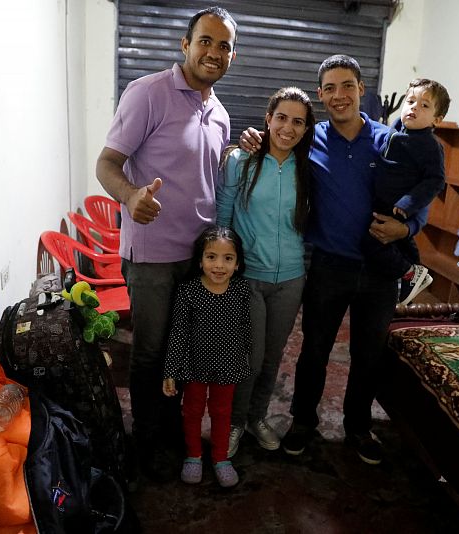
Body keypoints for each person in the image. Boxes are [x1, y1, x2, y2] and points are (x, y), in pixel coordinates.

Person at [239, 55, 428, 465]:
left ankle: (357, 428)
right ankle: (303, 422)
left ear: (362, 89)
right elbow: (278, 141)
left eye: (347, 85)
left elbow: (422, 192)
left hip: (379, 269)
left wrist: (408, 229)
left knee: (367, 356)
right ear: (321, 95)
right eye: (329, 88)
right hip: (329, 265)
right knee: (314, 350)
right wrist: (252, 137)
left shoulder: (390, 140)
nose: (338, 95)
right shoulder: (311, 139)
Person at [94, 6, 237, 481]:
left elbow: (206, 176)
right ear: (185, 44)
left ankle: (179, 432)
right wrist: (131, 195)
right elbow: (107, 163)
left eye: (224, 45)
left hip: (199, 260)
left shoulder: (219, 112)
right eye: (206, 41)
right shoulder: (148, 93)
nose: (214, 52)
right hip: (153, 256)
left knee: (187, 351)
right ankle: (145, 441)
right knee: (152, 351)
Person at [216, 87, 316, 457]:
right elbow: (223, 215)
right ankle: (234, 422)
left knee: (273, 357)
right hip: (248, 279)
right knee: (248, 357)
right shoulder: (240, 160)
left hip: (291, 280)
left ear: (306, 129)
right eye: (281, 118)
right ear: (267, 119)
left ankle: (257, 418)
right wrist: (221, 269)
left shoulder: (308, 168)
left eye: (297, 122)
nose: (287, 128)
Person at [162, 226, 252, 488]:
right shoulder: (188, 292)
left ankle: (221, 458)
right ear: (200, 261)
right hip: (194, 368)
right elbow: (178, 333)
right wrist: (171, 370)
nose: (219, 265)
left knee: (222, 413)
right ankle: (193, 455)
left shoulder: (241, 291)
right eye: (211, 257)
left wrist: (243, 361)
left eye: (228, 258)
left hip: (228, 368)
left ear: (237, 264)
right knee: (191, 412)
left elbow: (245, 329)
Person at [361, 78, 451, 305]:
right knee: (399, 245)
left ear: (436, 120)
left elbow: (436, 180)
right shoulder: (394, 131)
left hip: (396, 206)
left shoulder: (430, 145)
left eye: (424, 105)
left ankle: (411, 273)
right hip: (381, 201)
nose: (413, 108)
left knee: (371, 241)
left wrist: (408, 203)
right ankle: (415, 270)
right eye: (410, 101)